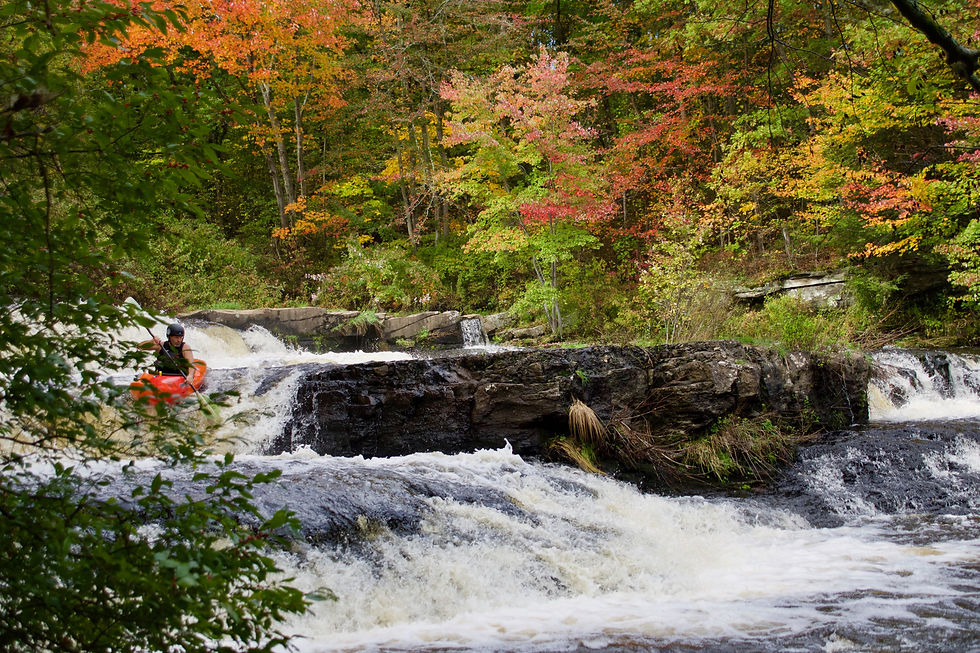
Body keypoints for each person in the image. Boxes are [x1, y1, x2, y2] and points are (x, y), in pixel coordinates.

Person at [139, 323, 196, 388]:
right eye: (176, 337)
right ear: (169, 337)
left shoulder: (185, 348)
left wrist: (190, 375)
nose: (179, 340)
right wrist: (151, 341)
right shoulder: (161, 346)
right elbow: (140, 347)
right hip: (160, 377)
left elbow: (191, 365)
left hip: (178, 378)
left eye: (181, 337)